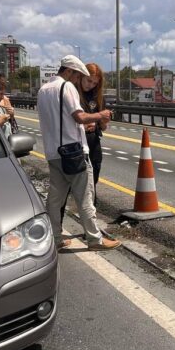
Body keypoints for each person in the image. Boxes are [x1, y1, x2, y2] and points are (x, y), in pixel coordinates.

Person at [38, 55, 120, 251]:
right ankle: (95, 240)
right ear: (69, 72)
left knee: (55, 199)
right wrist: (101, 115)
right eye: (77, 76)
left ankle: (55, 238)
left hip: (53, 152)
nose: (77, 81)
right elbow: (80, 116)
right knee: (85, 198)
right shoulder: (67, 88)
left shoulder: (42, 90)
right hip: (74, 151)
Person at [78, 63, 108, 199]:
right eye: (89, 80)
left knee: (94, 177)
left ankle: (91, 206)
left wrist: (101, 122)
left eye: (95, 83)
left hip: (93, 141)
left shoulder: (97, 96)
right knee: (78, 180)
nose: (91, 85)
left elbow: (103, 126)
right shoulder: (73, 93)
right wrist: (82, 125)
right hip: (76, 142)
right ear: (81, 76)